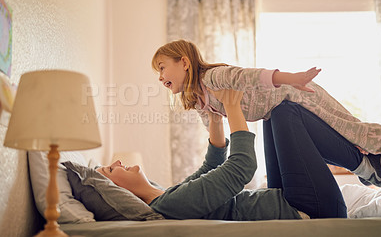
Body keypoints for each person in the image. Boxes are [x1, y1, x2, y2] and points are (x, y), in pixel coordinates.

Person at [151, 39, 381, 187]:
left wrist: (293, 77)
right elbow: (217, 143)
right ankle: (373, 166)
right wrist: (211, 115)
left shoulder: (213, 77)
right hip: (279, 111)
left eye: (162, 68)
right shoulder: (200, 101)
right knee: (327, 139)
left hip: (295, 92)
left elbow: (250, 75)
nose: (160, 77)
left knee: (347, 128)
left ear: (184, 62)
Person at [98, 89, 346, 220]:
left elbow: (211, 166)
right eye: (111, 169)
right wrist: (232, 106)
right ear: (119, 192)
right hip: (311, 209)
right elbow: (241, 167)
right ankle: (360, 162)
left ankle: (362, 162)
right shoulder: (169, 205)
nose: (117, 162)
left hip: (289, 201)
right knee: (285, 112)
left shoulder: (168, 196)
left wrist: (215, 118)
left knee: (274, 111)